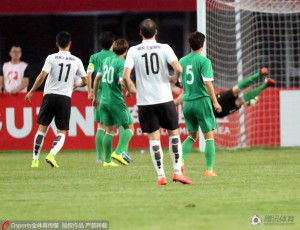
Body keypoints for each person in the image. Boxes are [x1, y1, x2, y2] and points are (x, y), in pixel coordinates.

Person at [123, 18, 194, 185]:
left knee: (154, 139)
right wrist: (173, 79)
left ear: (140, 33)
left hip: (145, 102)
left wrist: (132, 88)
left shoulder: (133, 50)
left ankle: (161, 176)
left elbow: (126, 76)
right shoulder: (164, 48)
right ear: (156, 32)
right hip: (164, 99)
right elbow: (178, 68)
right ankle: (177, 172)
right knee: (173, 134)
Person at [25, 31, 87, 168]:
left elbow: (42, 76)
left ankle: (35, 160)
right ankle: (52, 154)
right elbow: (86, 81)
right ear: (70, 44)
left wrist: (31, 91)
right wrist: (76, 85)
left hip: (49, 96)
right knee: (62, 131)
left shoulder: (51, 58)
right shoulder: (76, 61)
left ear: (57, 44)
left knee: (42, 128)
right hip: (65, 97)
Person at [179, 31, 222, 177]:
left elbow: (181, 83)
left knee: (192, 135)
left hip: (187, 102)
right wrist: (215, 102)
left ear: (189, 44)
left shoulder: (182, 61)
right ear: (202, 45)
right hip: (201, 101)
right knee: (209, 136)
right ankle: (209, 170)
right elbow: (208, 84)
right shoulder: (204, 62)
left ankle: (180, 164)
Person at [93, 39, 135, 167]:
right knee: (130, 128)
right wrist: (129, 90)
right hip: (115, 101)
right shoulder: (122, 63)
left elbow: (96, 80)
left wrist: (95, 97)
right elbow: (122, 81)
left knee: (109, 130)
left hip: (103, 100)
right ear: (126, 51)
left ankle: (107, 161)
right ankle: (118, 151)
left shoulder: (105, 61)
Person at [173, 68, 275, 118]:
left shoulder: (187, 95)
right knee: (236, 94)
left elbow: (177, 95)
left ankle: (265, 83)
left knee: (239, 101)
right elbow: (177, 93)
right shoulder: (189, 93)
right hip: (214, 105)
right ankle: (261, 75)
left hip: (216, 110)